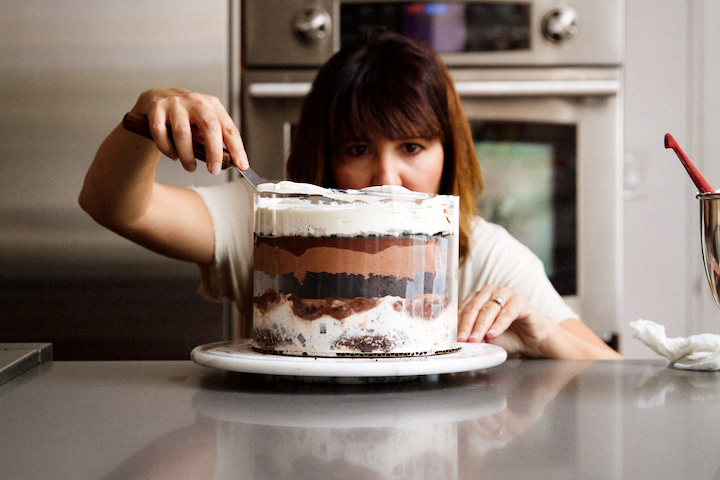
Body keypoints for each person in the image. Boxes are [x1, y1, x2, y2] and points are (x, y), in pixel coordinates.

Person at [79, 31, 621, 360]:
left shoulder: (482, 253)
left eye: (412, 146)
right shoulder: (273, 219)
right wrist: (146, 116)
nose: (387, 177)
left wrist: (543, 332)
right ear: (325, 152)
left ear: (448, 152)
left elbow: (608, 371)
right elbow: (117, 206)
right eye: (358, 147)